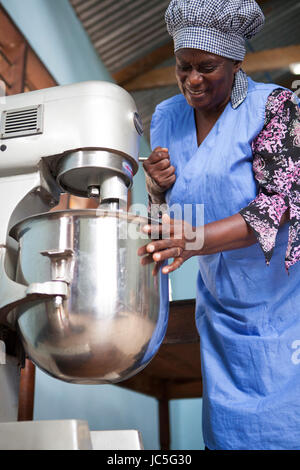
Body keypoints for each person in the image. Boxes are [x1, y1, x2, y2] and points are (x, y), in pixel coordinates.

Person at [138, 0, 300, 450]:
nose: (192, 79)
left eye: (206, 67)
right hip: (222, 310)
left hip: (286, 306)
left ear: (235, 60)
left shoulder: (276, 107)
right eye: (182, 67)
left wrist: (191, 239)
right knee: (229, 435)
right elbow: (174, 225)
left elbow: (280, 205)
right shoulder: (167, 117)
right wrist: (155, 191)